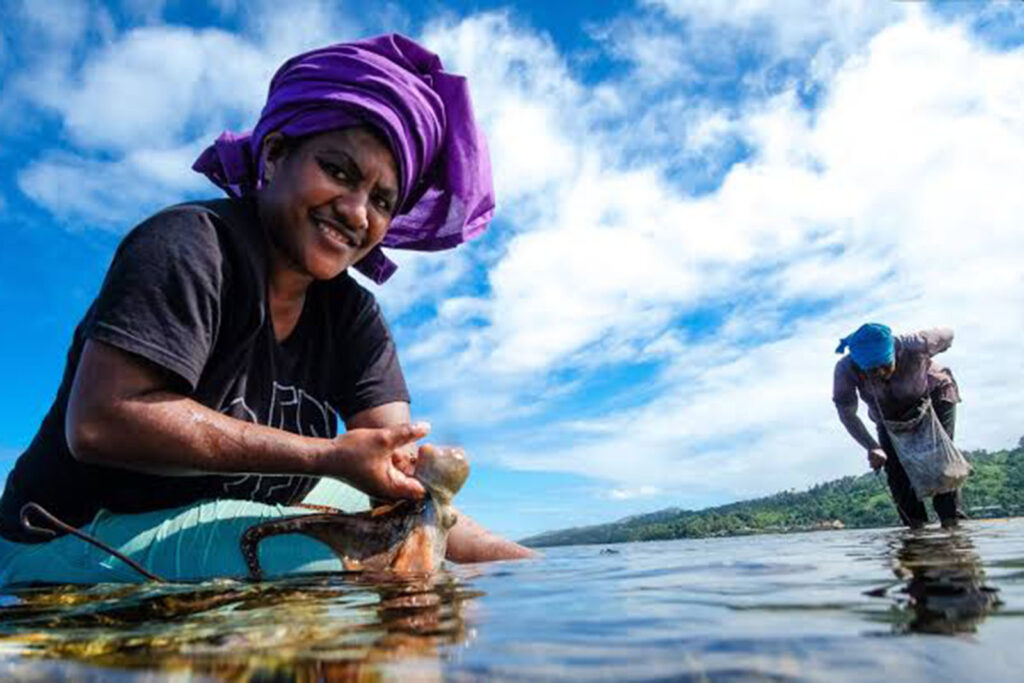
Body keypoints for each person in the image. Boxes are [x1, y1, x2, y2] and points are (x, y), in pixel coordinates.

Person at [0, 34, 532, 585]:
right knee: (354, 563)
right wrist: (327, 456)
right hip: (65, 533)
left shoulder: (353, 316)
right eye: (340, 172)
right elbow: (101, 421)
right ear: (275, 155)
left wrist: (537, 589)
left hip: (224, 510)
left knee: (418, 539)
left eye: (381, 201)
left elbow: (395, 478)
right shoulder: (190, 245)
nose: (356, 212)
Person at [832, 323, 964, 529]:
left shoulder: (913, 344)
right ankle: (916, 530)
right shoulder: (846, 369)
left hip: (933, 396)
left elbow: (949, 333)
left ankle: (951, 524)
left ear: (893, 352)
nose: (880, 373)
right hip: (887, 415)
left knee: (940, 460)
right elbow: (846, 413)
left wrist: (920, 345)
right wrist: (872, 446)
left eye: (884, 365)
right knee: (894, 468)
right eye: (871, 370)